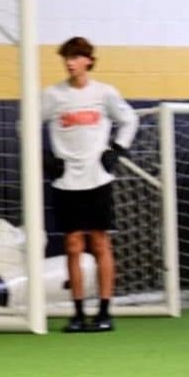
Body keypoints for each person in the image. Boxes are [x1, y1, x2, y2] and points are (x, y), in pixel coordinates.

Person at [42, 36, 138, 333]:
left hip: (98, 179)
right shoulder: (52, 95)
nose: (70, 63)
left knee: (99, 243)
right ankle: (78, 312)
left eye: (75, 57)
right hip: (66, 180)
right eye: (66, 58)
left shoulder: (105, 93)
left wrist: (116, 150)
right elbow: (26, 124)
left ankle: (105, 311)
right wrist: (43, 157)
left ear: (88, 60)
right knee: (72, 246)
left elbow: (129, 120)